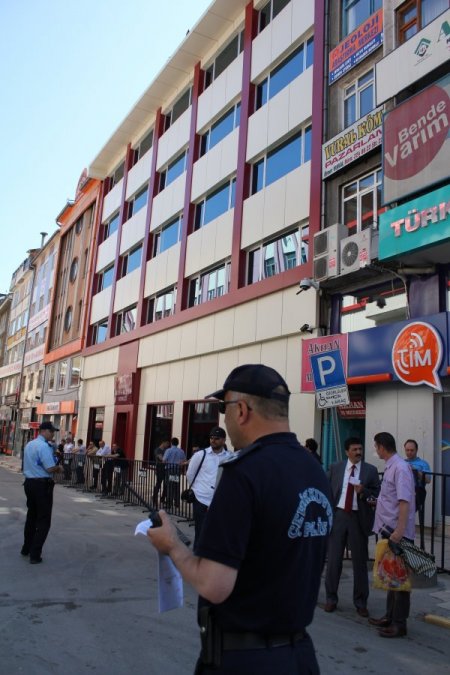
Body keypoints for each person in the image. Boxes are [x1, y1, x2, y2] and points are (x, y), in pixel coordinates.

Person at [148, 363, 333, 673]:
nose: (224, 418)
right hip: (300, 656)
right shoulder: (314, 469)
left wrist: (171, 545)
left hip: (245, 660)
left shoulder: (244, 473)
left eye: (224, 408)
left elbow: (213, 584)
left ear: (242, 410)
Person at [324, 437, 380, 617]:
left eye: (360, 449)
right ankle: (331, 598)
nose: (358, 452)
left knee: (360, 562)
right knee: (334, 561)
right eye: (354, 449)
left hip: (358, 518)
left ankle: (361, 602)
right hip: (339, 516)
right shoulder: (336, 468)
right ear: (347, 451)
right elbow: (326, 488)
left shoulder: (370, 471)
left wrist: (363, 491)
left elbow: (376, 497)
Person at [369, 431, 415, 638]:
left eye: (376, 446)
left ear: (381, 447)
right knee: (391, 574)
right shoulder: (391, 466)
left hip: (398, 533)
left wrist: (400, 530)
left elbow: (404, 501)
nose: (375, 450)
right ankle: (390, 615)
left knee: (400, 578)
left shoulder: (400, 468)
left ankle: (399, 623)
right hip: (388, 530)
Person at [21, 421, 63, 564]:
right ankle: (35, 554)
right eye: (51, 432)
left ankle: (26, 548)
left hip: (29, 483)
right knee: (44, 520)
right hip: (41, 485)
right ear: (44, 431)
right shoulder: (44, 446)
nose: (53, 435)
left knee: (31, 517)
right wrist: (59, 468)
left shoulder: (30, 444)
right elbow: (50, 468)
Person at [186, 426, 232, 551]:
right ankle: (198, 556)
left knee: (218, 532)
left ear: (223, 440)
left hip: (220, 501)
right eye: (211, 438)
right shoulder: (200, 455)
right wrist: (197, 490)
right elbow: (190, 474)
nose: (213, 440)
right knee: (201, 531)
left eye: (216, 438)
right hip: (201, 499)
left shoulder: (229, 456)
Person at [404, 439, 431, 542]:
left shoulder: (423, 463)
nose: (409, 452)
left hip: (417, 491)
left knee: (407, 515)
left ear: (416, 450)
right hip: (403, 490)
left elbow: (428, 480)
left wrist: (415, 471)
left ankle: (408, 542)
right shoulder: (402, 462)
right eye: (407, 450)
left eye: (412, 450)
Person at [163, 437, 186, 509]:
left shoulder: (168, 450)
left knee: (169, 486)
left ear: (171, 443)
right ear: (178, 443)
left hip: (169, 470)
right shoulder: (181, 451)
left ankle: (169, 503)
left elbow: (164, 460)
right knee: (176, 486)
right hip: (177, 470)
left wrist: (167, 462)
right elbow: (184, 460)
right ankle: (177, 503)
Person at [152, 439, 170, 507]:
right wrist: (166, 461)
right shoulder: (158, 450)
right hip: (160, 468)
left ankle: (162, 499)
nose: (168, 445)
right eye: (167, 444)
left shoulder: (166, 450)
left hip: (165, 469)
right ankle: (155, 498)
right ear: (163, 443)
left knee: (166, 484)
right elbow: (161, 458)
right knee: (158, 483)